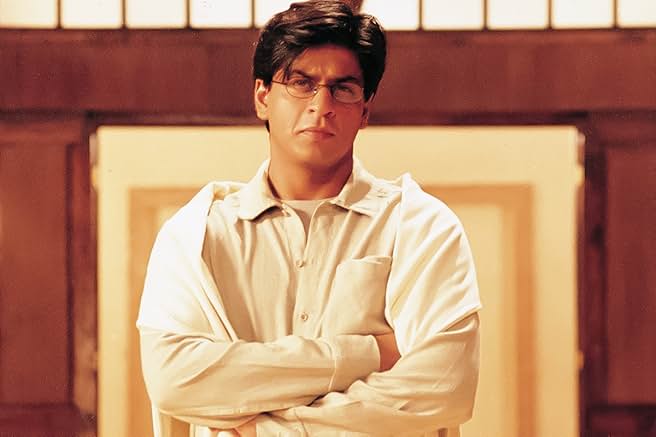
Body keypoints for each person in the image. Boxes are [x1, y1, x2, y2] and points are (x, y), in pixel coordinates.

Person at [137, 1, 482, 436]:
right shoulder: (197, 234)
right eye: (301, 83)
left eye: (343, 88)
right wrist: (371, 353)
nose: (322, 105)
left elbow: (444, 385)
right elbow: (174, 380)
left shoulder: (421, 227)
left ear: (365, 110)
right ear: (263, 97)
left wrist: (267, 430)